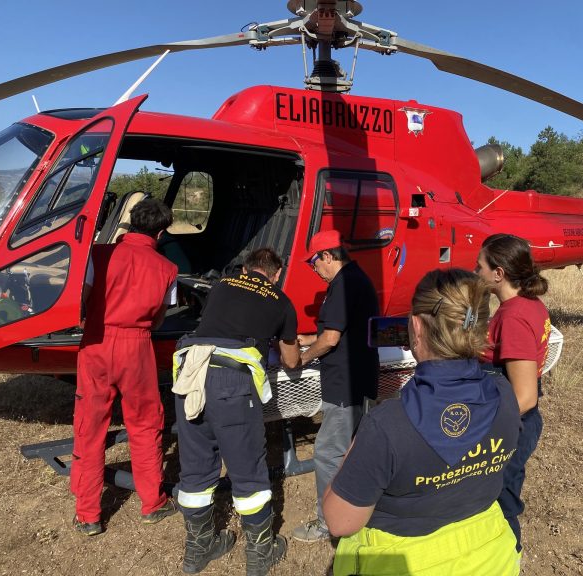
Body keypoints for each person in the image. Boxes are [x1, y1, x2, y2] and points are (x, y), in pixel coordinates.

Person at [322, 269, 522, 575]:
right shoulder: (507, 396)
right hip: (491, 560)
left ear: (415, 326)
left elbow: (340, 521)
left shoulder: (387, 425)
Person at [172, 247, 300, 575]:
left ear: (246, 269)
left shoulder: (223, 286)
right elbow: (290, 360)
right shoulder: (281, 300)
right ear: (277, 273)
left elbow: (224, 322)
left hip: (191, 371)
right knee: (247, 470)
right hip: (232, 381)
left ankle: (198, 550)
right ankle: (260, 554)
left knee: (196, 467)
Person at [72, 198, 178, 535]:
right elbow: (160, 319)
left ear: (130, 222)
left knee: (91, 426)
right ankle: (153, 503)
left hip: (97, 343)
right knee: (146, 423)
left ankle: (88, 514)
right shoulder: (168, 269)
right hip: (138, 345)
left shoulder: (97, 253)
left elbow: (83, 297)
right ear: (160, 232)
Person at [291, 229, 380, 543]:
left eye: (314, 262)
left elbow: (331, 340)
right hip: (360, 379)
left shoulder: (343, 285)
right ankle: (364, 510)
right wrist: (305, 340)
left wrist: (302, 359)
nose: (315, 269)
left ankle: (328, 522)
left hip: (346, 385)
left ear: (327, 256)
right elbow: (338, 332)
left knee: (329, 453)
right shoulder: (357, 279)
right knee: (355, 450)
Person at [475, 233, 551, 556]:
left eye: (480, 266)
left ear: (499, 273)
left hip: (511, 427)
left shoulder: (514, 316)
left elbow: (524, 396)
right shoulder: (528, 305)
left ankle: (508, 555)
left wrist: (480, 426)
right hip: (518, 423)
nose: (475, 271)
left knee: (500, 499)